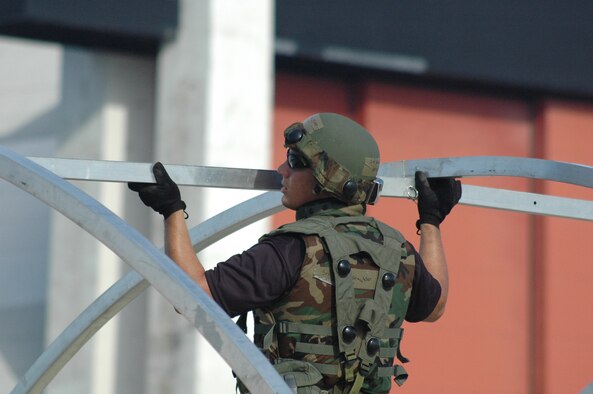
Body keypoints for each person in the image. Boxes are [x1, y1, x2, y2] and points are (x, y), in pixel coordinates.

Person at [128, 113, 462, 394]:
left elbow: (191, 296)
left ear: (326, 179)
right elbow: (436, 306)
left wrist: (172, 210)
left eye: (294, 162)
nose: (281, 170)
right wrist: (431, 220)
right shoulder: (398, 250)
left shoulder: (291, 250)